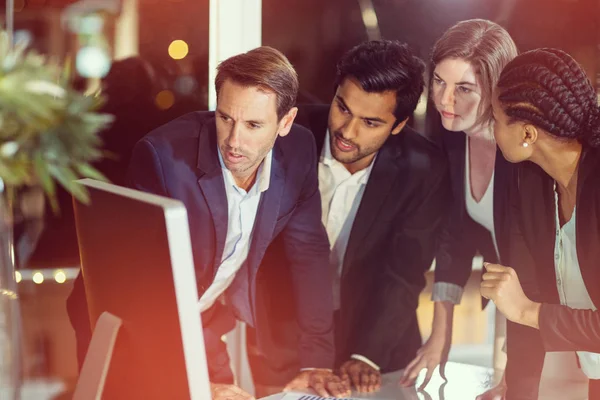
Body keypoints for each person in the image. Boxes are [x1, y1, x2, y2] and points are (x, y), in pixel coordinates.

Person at [66, 46, 350, 400]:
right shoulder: (162, 157)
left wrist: (315, 361)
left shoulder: (299, 152)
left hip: (203, 318)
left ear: (286, 122)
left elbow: (308, 252)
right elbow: (141, 285)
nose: (234, 141)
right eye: (226, 118)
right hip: (130, 322)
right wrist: (193, 384)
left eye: (253, 125)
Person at [250, 40, 451, 397]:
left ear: (399, 124)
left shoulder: (424, 167)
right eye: (342, 108)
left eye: (371, 122)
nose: (347, 131)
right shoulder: (285, 136)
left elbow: (404, 271)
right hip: (282, 341)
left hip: (376, 349)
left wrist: (367, 356)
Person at [400, 19, 518, 395]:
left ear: (498, 88)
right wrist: (440, 335)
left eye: (464, 88)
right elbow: (455, 234)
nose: (444, 100)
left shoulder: (524, 150)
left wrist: (513, 374)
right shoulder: (454, 136)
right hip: (508, 301)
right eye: (439, 81)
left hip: (550, 311)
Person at [482, 47, 600, 400]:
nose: (492, 130)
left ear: (528, 134)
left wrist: (525, 310)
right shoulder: (532, 182)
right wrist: (517, 389)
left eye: (496, 119)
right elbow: (527, 285)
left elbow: (523, 304)